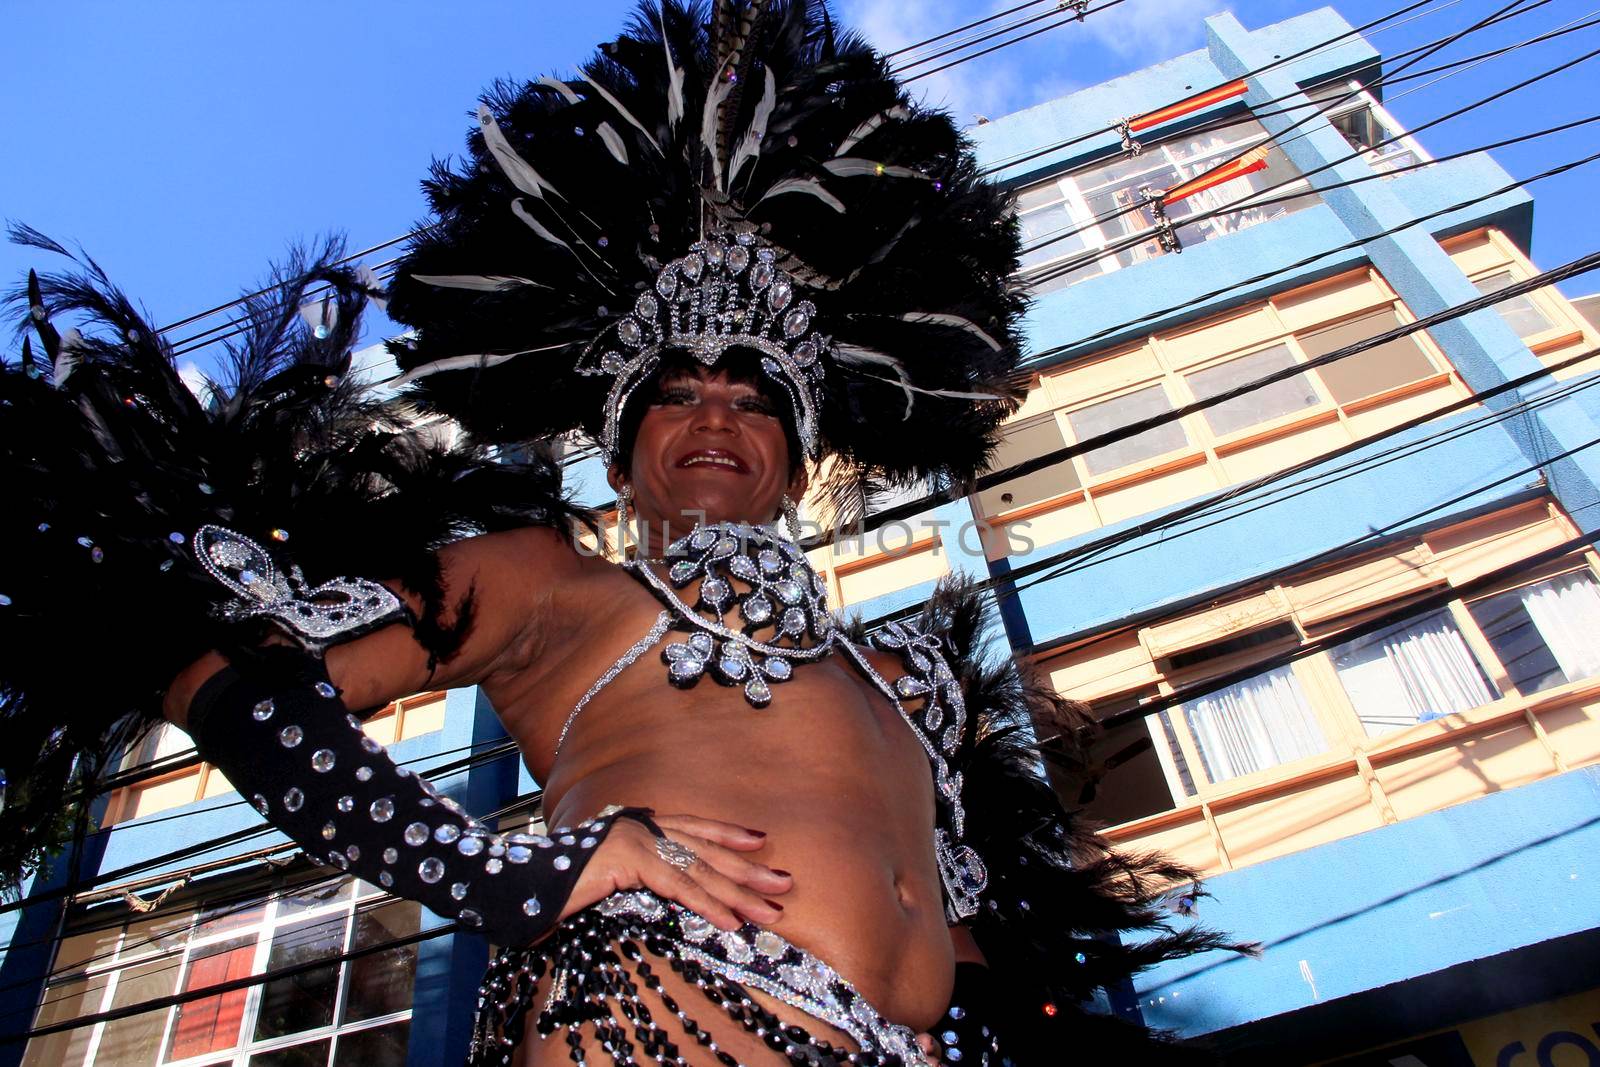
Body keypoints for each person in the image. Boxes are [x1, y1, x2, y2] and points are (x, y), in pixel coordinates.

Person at [2, 3, 1240, 1063]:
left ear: (797, 460)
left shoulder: (908, 677)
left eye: (754, 399)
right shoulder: (554, 590)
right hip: (665, 1001)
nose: (715, 415)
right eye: (680, 393)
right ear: (620, 442)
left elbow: (963, 933)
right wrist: (514, 875)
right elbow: (224, 672)